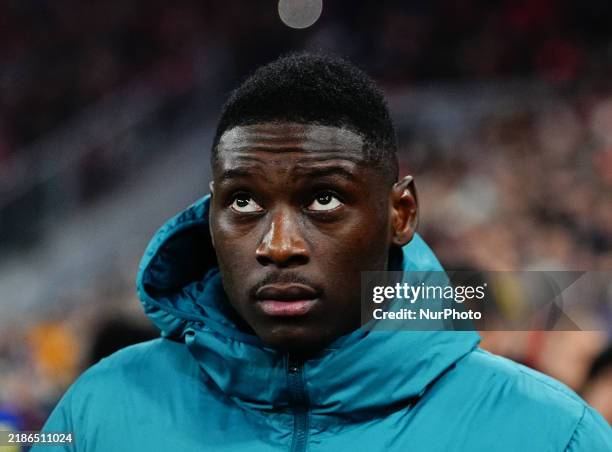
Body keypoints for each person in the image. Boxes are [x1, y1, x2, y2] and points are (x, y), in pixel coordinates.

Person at [34, 53, 611, 451]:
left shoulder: (550, 435)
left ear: (401, 213)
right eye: (243, 202)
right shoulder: (99, 414)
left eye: (324, 199)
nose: (278, 246)